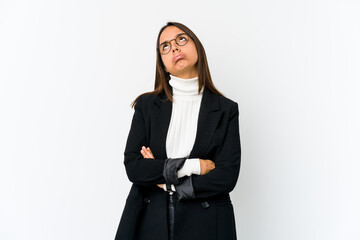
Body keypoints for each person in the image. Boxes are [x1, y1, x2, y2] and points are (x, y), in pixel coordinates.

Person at [114, 21, 241, 240]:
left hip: (206, 221)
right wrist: (193, 166)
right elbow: (134, 167)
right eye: (165, 46)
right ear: (162, 63)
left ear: (197, 48)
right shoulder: (147, 105)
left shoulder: (226, 109)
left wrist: (166, 181)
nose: (174, 48)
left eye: (181, 39)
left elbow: (226, 176)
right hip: (149, 217)